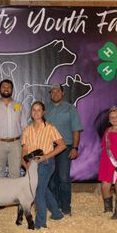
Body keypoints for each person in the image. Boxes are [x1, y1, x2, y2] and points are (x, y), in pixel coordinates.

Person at [22, 101, 66, 229]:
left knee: (38, 191)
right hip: (32, 164)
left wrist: (46, 156)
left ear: (43, 112)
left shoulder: (50, 127)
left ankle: (40, 223)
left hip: (46, 163)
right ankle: (57, 214)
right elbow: (25, 148)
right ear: (31, 112)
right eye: (34, 110)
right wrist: (25, 160)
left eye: (39, 110)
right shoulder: (27, 129)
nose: (36, 112)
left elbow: (62, 145)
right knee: (43, 189)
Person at [46, 83, 83, 216]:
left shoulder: (70, 109)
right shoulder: (45, 109)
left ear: (63, 93)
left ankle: (66, 207)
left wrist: (75, 147)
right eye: (52, 92)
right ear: (50, 94)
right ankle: (55, 206)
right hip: (48, 148)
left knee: (63, 177)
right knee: (50, 178)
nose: (55, 94)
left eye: (58, 91)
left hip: (65, 147)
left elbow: (76, 129)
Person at [0, 79, 28, 178]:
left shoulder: (19, 105)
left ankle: (14, 194)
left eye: (8, 87)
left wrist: (25, 145)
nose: (6, 89)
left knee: (15, 173)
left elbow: (24, 126)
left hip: (16, 144)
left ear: (12, 89)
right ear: (0, 89)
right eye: (4, 87)